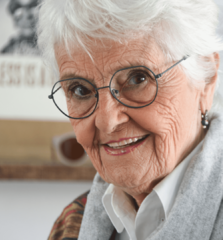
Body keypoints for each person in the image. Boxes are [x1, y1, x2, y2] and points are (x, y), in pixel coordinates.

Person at [37, 0, 223, 239]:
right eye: (80, 90)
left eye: (137, 79)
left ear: (206, 79)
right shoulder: (71, 225)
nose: (107, 121)